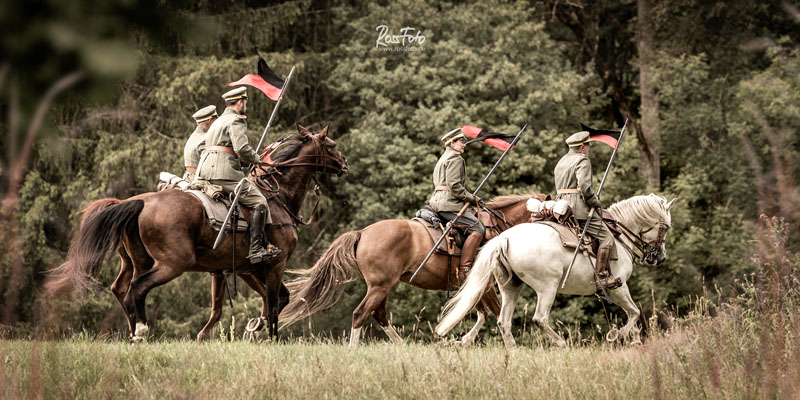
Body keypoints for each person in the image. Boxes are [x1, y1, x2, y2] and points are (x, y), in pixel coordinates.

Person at [195, 86, 280, 265]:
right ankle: (256, 249)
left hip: (205, 172)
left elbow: (218, 148)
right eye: (245, 102)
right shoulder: (236, 121)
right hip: (225, 174)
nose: (245, 105)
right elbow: (241, 148)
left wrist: (242, 161)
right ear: (240, 102)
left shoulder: (217, 122)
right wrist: (257, 159)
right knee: (259, 201)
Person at [554, 131, 616, 288]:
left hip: (560, 206)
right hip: (578, 208)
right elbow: (584, 187)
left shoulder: (562, 161)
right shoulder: (583, 160)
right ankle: (601, 276)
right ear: (582, 147)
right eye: (588, 146)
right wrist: (594, 201)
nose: (589, 149)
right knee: (607, 238)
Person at [429, 128, 485, 286]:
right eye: (462, 142)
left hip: (436, 202)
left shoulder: (443, 158)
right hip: (449, 204)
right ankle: (464, 269)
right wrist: (473, 198)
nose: (464, 145)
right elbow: (455, 187)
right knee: (478, 229)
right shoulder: (455, 159)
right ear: (452, 142)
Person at [183, 105, 217, 182]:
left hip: (187, 177)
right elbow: (210, 165)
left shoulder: (193, 136)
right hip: (197, 179)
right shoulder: (206, 138)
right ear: (210, 121)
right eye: (215, 121)